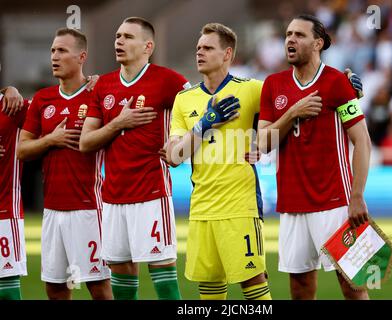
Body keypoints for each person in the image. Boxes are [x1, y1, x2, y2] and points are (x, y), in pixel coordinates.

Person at [257, 14, 371, 300]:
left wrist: (356, 196)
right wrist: (293, 112)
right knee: (300, 288)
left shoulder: (338, 83)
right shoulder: (273, 84)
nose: (290, 40)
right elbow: (263, 142)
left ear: (318, 43)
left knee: (353, 285)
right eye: (287, 34)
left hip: (335, 200)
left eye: (299, 34)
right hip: (292, 203)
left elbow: (362, 141)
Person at [79, 17, 190, 300]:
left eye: (128, 37)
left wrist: (180, 144)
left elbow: (197, 114)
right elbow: (86, 143)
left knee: (163, 277)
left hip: (151, 193)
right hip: (113, 198)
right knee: (121, 277)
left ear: (147, 46)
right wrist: (118, 122)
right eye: (117, 36)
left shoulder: (169, 80)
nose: (119, 41)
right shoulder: (102, 85)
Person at [166, 23, 271, 300]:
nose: (200, 52)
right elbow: (174, 157)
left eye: (208, 48)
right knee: (209, 285)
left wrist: (347, 89)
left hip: (240, 205)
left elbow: (289, 100)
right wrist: (205, 123)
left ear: (227, 54)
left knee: (252, 281)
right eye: (198, 48)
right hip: (201, 207)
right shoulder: (184, 99)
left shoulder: (251, 89)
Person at [17, 28, 112, 300]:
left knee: (99, 288)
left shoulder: (97, 94)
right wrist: (51, 139)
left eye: (62, 51)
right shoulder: (43, 99)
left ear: (81, 56)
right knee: (56, 289)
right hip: (52, 212)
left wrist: (100, 82)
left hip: (88, 210)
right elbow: (23, 150)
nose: (54, 57)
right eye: (52, 51)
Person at [0, 86, 28, 300]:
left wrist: (90, 85)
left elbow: (60, 107)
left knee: (7, 288)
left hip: (4, 212)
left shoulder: (13, 106)